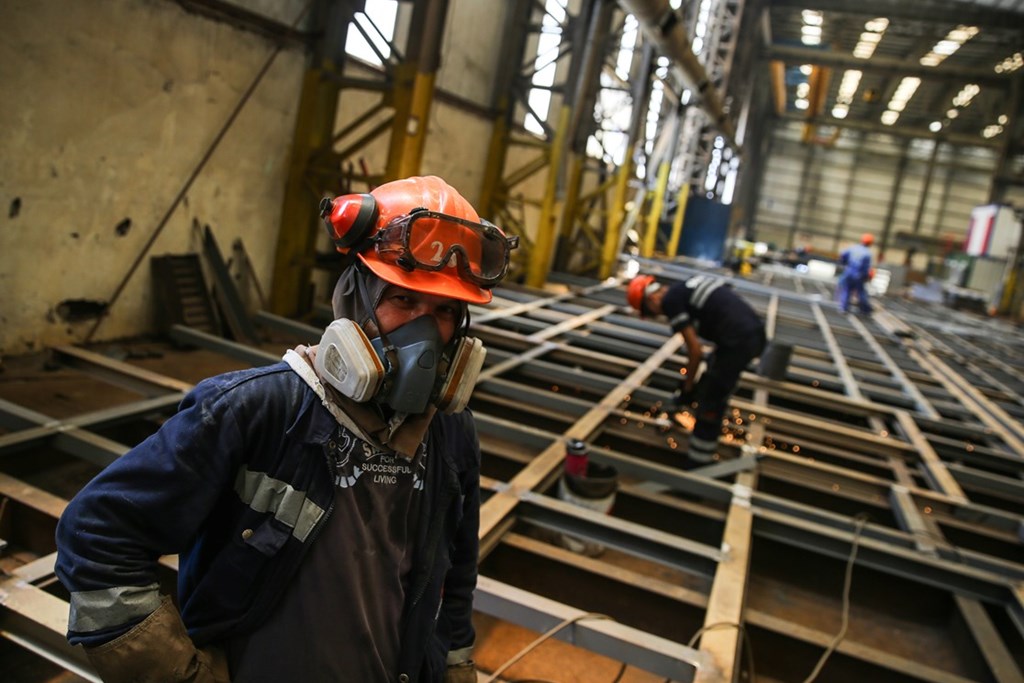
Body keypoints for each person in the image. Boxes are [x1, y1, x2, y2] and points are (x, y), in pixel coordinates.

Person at [54, 176, 518, 683]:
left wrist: (454, 669)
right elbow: (97, 535)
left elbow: (456, 575)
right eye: (403, 301)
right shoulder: (254, 410)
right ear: (354, 299)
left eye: (446, 312)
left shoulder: (451, 434)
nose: (426, 334)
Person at [627, 273, 766, 463]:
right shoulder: (681, 287)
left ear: (651, 298)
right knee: (712, 367)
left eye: (651, 312)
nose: (658, 315)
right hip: (751, 335)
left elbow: (695, 352)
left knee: (711, 398)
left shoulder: (670, 301)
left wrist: (687, 387)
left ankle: (698, 462)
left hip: (739, 341)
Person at [837, 233, 875, 314]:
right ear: (870, 243)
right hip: (858, 276)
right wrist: (866, 277)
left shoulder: (853, 248)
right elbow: (865, 268)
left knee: (846, 290)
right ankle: (865, 309)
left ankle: (844, 308)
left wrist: (844, 263)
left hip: (848, 273)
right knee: (861, 292)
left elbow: (843, 255)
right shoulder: (867, 254)